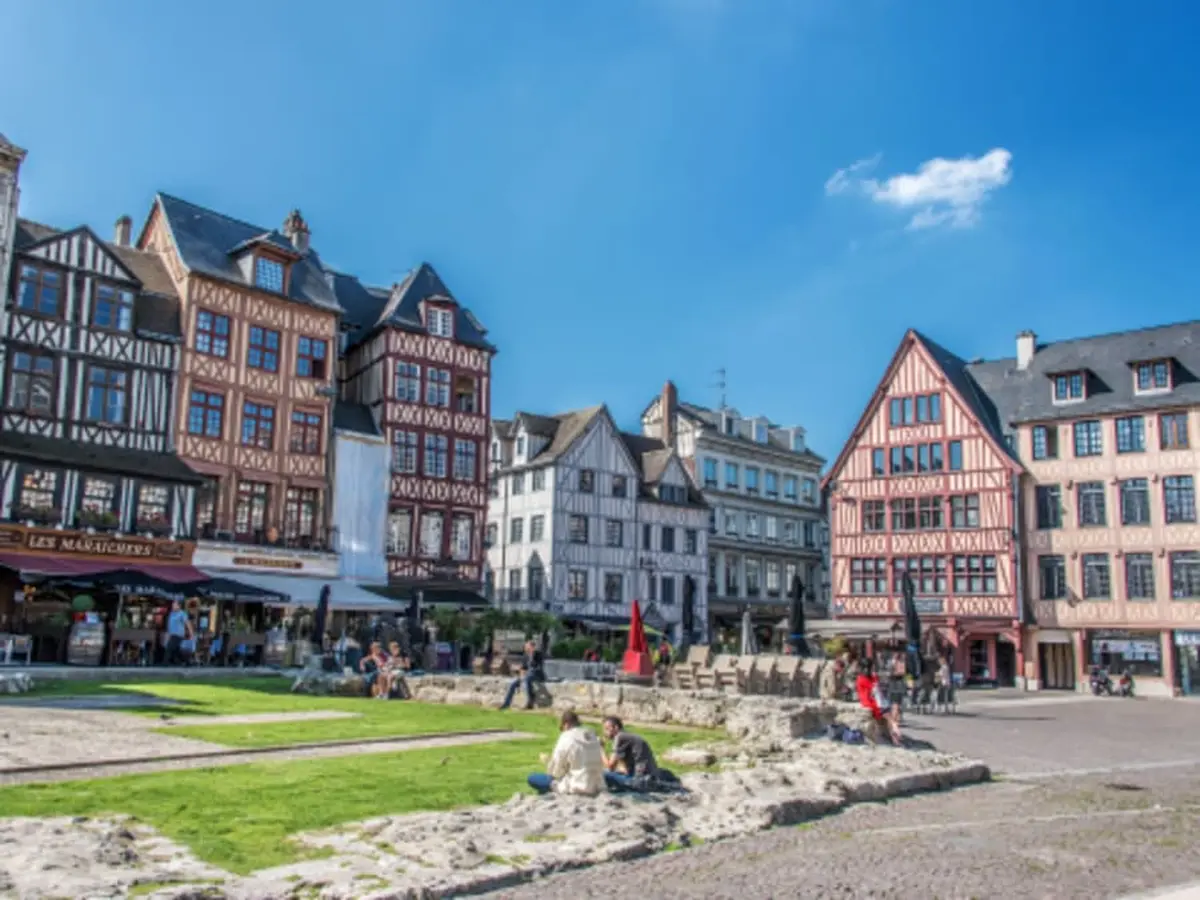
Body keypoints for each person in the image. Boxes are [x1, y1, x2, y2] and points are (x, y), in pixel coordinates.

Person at [526, 710, 605, 796]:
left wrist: (548, 762)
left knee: (533, 778)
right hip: (598, 784)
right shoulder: (592, 735)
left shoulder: (566, 737)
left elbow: (556, 772)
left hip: (577, 786)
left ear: (566, 724)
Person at [601, 716, 673, 792]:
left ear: (615, 727)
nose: (604, 732)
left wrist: (600, 749)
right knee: (614, 773)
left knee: (602, 775)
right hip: (650, 778)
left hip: (640, 782)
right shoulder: (628, 736)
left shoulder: (620, 737)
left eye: (606, 729)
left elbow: (610, 767)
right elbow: (625, 769)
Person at [855, 659, 901, 746]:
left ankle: (895, 732)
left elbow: (877, 690)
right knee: (888, 715)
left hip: (877, 700)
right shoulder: (861, 679)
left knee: (895, 708)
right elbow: (868, 694)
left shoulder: (872, 677)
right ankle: (895, 735)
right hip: (869, 701)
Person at [500, 640, 546, 710]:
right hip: (527, 676)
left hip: (537, 676)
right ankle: (506, 704)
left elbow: (539, 667)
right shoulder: (526, 656)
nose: (525, 648)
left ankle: (530, 703)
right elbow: (523, 668)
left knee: (528, 678)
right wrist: (521, 677)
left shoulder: (538, 654)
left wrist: (529, 671)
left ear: (532, 647)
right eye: (526, 647)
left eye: (527, 647)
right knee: (513, 684)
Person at [164, 601, 192, 666]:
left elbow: (188, 623)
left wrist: (191, 633)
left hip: (179, 634)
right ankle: (187, 661)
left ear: (179, 606)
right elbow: (170, 624)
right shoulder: (171, 614)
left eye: (174, 605)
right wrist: (168, 634)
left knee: (169, 647)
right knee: (177, 650)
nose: (173, 607)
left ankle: (165, 662)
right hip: (172, 634)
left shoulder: (182, 614)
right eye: (172, 605)